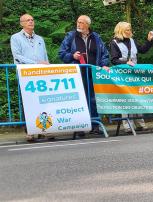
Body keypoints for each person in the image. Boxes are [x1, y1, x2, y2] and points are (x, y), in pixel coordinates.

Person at [59, 15, 109, 135]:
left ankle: (95, 125)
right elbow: (61, 53)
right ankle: (80, 126)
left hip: (93, 73)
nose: (79, 24)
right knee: (79, 100)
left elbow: (104, 54)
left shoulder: (96, 37)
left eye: (81, 22)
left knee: (93, 99)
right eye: (78, 22)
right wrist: (72, 56)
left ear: (87, 25)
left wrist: (104, 65)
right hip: (77, 74)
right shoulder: (71, 36)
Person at [10, 14, 50, 142]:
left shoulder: (40, 39)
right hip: (25, 75)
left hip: (40, 75)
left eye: (32, 19)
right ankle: (30, 131)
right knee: (27, 102)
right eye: (28, 20)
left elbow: (45, 56)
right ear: (21, 23)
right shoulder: (15, 38)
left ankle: (43, 129)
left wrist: (47, 68)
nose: (31, 21)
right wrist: (36, 63)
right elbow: (17, 56)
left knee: (42, 102)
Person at [110, 21, 153, 133]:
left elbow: (143, 50)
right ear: (121, 31)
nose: (130, 32)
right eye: (128, 30)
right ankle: (127, 125)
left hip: (134, 73)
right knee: (126, 98)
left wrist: (149, 40)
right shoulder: (114, 43)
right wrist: (125, 62)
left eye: (130, 29)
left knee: (137, 97)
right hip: (123, 74)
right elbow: (114, 60)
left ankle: (140, 123)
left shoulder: (132, 41)